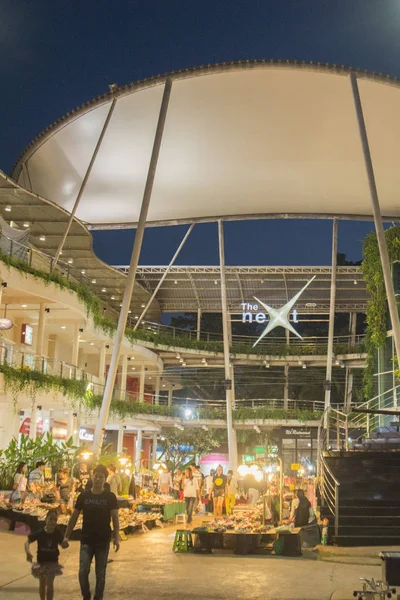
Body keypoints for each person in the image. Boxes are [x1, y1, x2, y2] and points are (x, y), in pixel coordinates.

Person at [63, 464, 120, 600]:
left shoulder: (110, 497)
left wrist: (116, 537)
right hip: (86, 540)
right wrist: (66, 536)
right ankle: (86, 596)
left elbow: (115, 519)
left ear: (105, 479)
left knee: (100, 573)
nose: (98, 479)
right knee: (83, 571)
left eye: (101, 477)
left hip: (103, 540)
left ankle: (98, 598)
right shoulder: (83, 496)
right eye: (96, 476)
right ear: (92, 477)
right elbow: (74, 517)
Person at [25, 509, 68, 600]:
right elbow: (27, 541)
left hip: (53, 562)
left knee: (50, 584)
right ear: (46, 520)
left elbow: (63, 545)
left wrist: (65, 543)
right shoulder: (40, 533)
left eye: (55, 520)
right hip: (41, 563)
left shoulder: (57, 533)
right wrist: (28, 552)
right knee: (42, 584)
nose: (52, 522)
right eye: (50, 519)